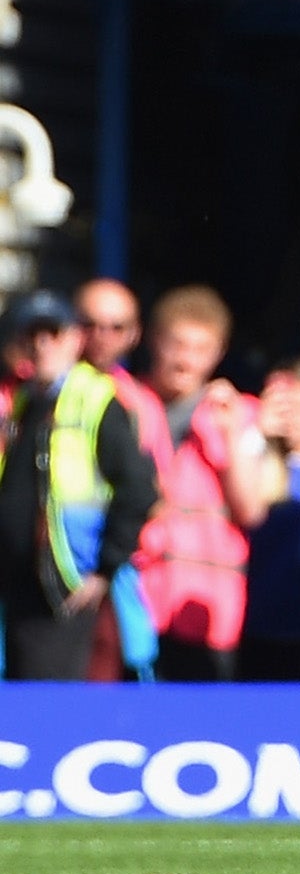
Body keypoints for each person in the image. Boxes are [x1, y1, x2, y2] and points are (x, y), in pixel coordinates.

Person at [0, 291, 159, 681]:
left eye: (52, 334)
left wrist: (104, 570)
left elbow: (139, 489)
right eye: (32, 335)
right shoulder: (25, 403)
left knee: (54, 705)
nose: (41, 346)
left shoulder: (96, 399)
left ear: (73, 339)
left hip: (67, 589)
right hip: (22, 592)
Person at [130, 286, 269, 682]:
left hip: (209, 602)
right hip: (138, 597)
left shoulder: (239, 414)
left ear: (219, 352)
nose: (187, 359)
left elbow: (252, 510)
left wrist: (228, 436)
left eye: (201, 348)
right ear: (154, 341)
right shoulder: (124, 403)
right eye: (177, 344)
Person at [238, 358, 300, 680]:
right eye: (281, 406)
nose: (291, 416)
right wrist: (258, 431)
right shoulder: (260, 463)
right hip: (257, 623)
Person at [74, 278, 173, 474]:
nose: (101, 336)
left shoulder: (143, 402)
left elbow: (159, 480)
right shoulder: (35, 389)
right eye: (88, 324)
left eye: (117, 328)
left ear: (134, 334)